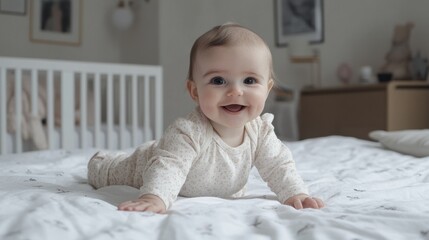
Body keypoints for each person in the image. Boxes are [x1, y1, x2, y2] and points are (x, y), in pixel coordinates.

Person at [87, 23, 324, 213]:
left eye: (249, 81)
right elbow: (170, 166)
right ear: (195, 91)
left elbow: (278, 166)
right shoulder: (188, 131)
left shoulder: (260, 132)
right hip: (151, 163)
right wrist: (154, 197)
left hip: (203, 178)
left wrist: (296, 194)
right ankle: (100, 161)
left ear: (268, 88)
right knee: (113, 170)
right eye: (218, 81)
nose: (235, 91)